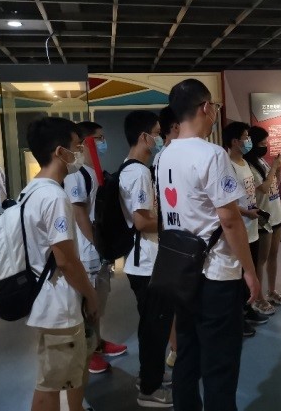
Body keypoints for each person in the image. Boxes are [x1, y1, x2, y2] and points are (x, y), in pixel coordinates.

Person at [156, 78, 260, 411]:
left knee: (187, 353)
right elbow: (229, 220)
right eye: (213, 105)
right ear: (205, 108)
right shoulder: (212, 155)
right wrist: (249, 270)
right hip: (216, 272)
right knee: (220, 363)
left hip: (180, 270)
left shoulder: (165, 155)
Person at [24, 117, 99, 411]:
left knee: (61, 377)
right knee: (50, 385)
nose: (80, 152)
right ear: (60, 152)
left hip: (44, 299)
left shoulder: (31, 190)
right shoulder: (54, 196)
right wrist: (90, 295)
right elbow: (66, 260)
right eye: (77, 146)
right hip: (58, 306)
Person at [63, 121, 127, 375]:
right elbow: (80, 215)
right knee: (88, 303)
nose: (103, 142)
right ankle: (88, 353)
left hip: (99, 253)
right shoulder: (76, 176)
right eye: (99, 138)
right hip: (88, 253)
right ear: (85, 143)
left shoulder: (95, 174)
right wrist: (98, 245)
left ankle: (97, 343)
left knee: (98, 301)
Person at [120, 110, 173, 408]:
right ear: (144, 137)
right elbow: (141, 222)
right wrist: (174, 222)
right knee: (155, 328)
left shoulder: (129, 168)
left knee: (151, 326)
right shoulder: (139, 173)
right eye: (156, 133)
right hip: (147, 263)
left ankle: (148, 375)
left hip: (141, 261)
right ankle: (149, 390)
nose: (159, 138)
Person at [223, 121, 270, 338]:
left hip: (252, 225)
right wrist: (246, 213)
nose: (248, 141)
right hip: (241, 226)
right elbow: (228, 203)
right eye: (245, 137)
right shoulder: (227, 166)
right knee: (239, 274)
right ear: (235, 141)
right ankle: (238, 317)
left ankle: (248, 308)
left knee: (249, 267)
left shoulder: (244, 163)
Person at [245, 126, 281, 310]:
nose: (266, 146)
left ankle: (271, 291)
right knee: (260, 260)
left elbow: (274, 184)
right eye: (263, 143)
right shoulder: (249, 166)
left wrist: (279, 168)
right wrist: (274, 168)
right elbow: (263, 188)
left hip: (276, 213)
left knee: (273, 255)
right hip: (264, 216)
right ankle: (258, 297)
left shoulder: (261, 161)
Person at [155, 104, 181, 368]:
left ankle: (178, 346)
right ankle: (176, 348)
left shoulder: (161, 158)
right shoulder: (166, 157)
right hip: (175, 240)